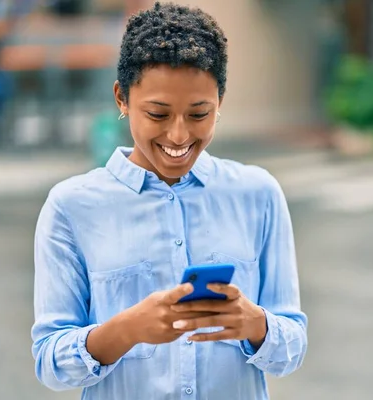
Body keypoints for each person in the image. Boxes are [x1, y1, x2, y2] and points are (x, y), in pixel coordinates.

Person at [31, 2, 308, 399]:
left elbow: (293, 347)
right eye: (158, 114)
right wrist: (128, 329)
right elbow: (50, 363)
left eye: (199, 114)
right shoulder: (70, 207)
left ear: (220, 102)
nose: (178, 136)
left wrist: (256, 324)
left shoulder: (259, 194)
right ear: (121, 99)